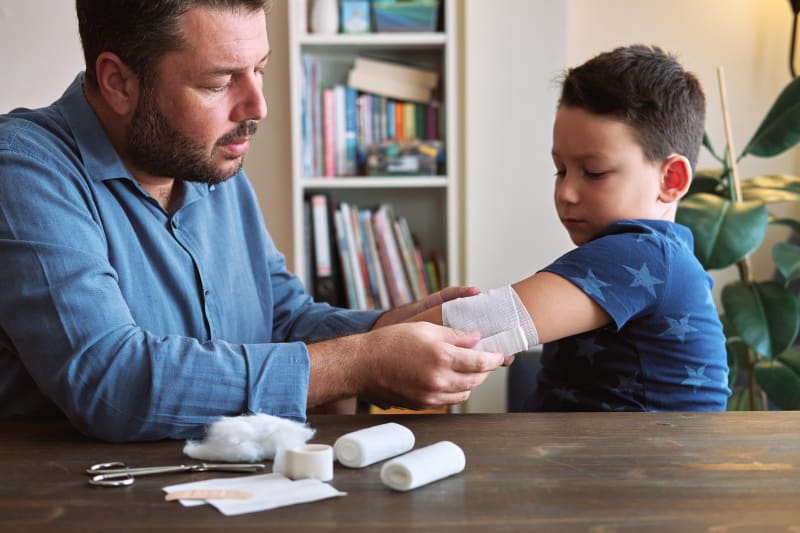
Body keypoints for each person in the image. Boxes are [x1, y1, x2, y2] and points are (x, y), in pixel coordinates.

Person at [0, 0, 507, 441]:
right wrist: (362, 362)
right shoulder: (23, 167)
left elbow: (281, 320)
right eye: (220, 82)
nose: (257, 106)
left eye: (259, 70)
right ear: (118, 83)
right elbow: (110, 382)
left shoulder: (206, 160)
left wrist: (390, 327)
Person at [411, 45, 731, 411]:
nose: (566, 192)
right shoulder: (663, 257)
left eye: (594, 172)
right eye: (560, 169)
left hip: (640, 467)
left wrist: (355, 354)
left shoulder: (644, 255)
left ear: (670, 179)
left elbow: (474, 324)